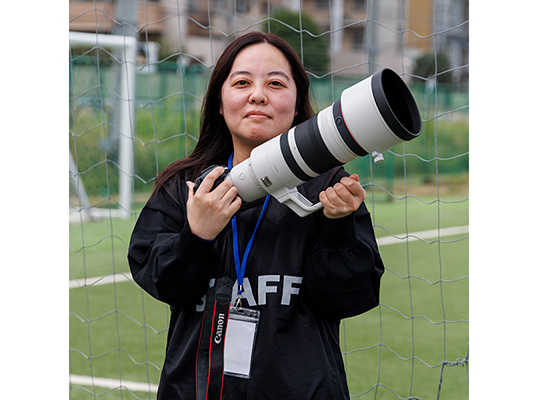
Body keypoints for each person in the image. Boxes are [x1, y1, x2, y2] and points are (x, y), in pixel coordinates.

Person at [128, 31, 384, 399]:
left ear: (297, 103)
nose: (258, 95)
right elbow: (163, 283)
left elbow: (345, 300)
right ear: (219, 101)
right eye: (242, 82)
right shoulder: (185, 188)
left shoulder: (329, 189)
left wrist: (339, 228)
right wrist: (195, 236)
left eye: (276, 83)